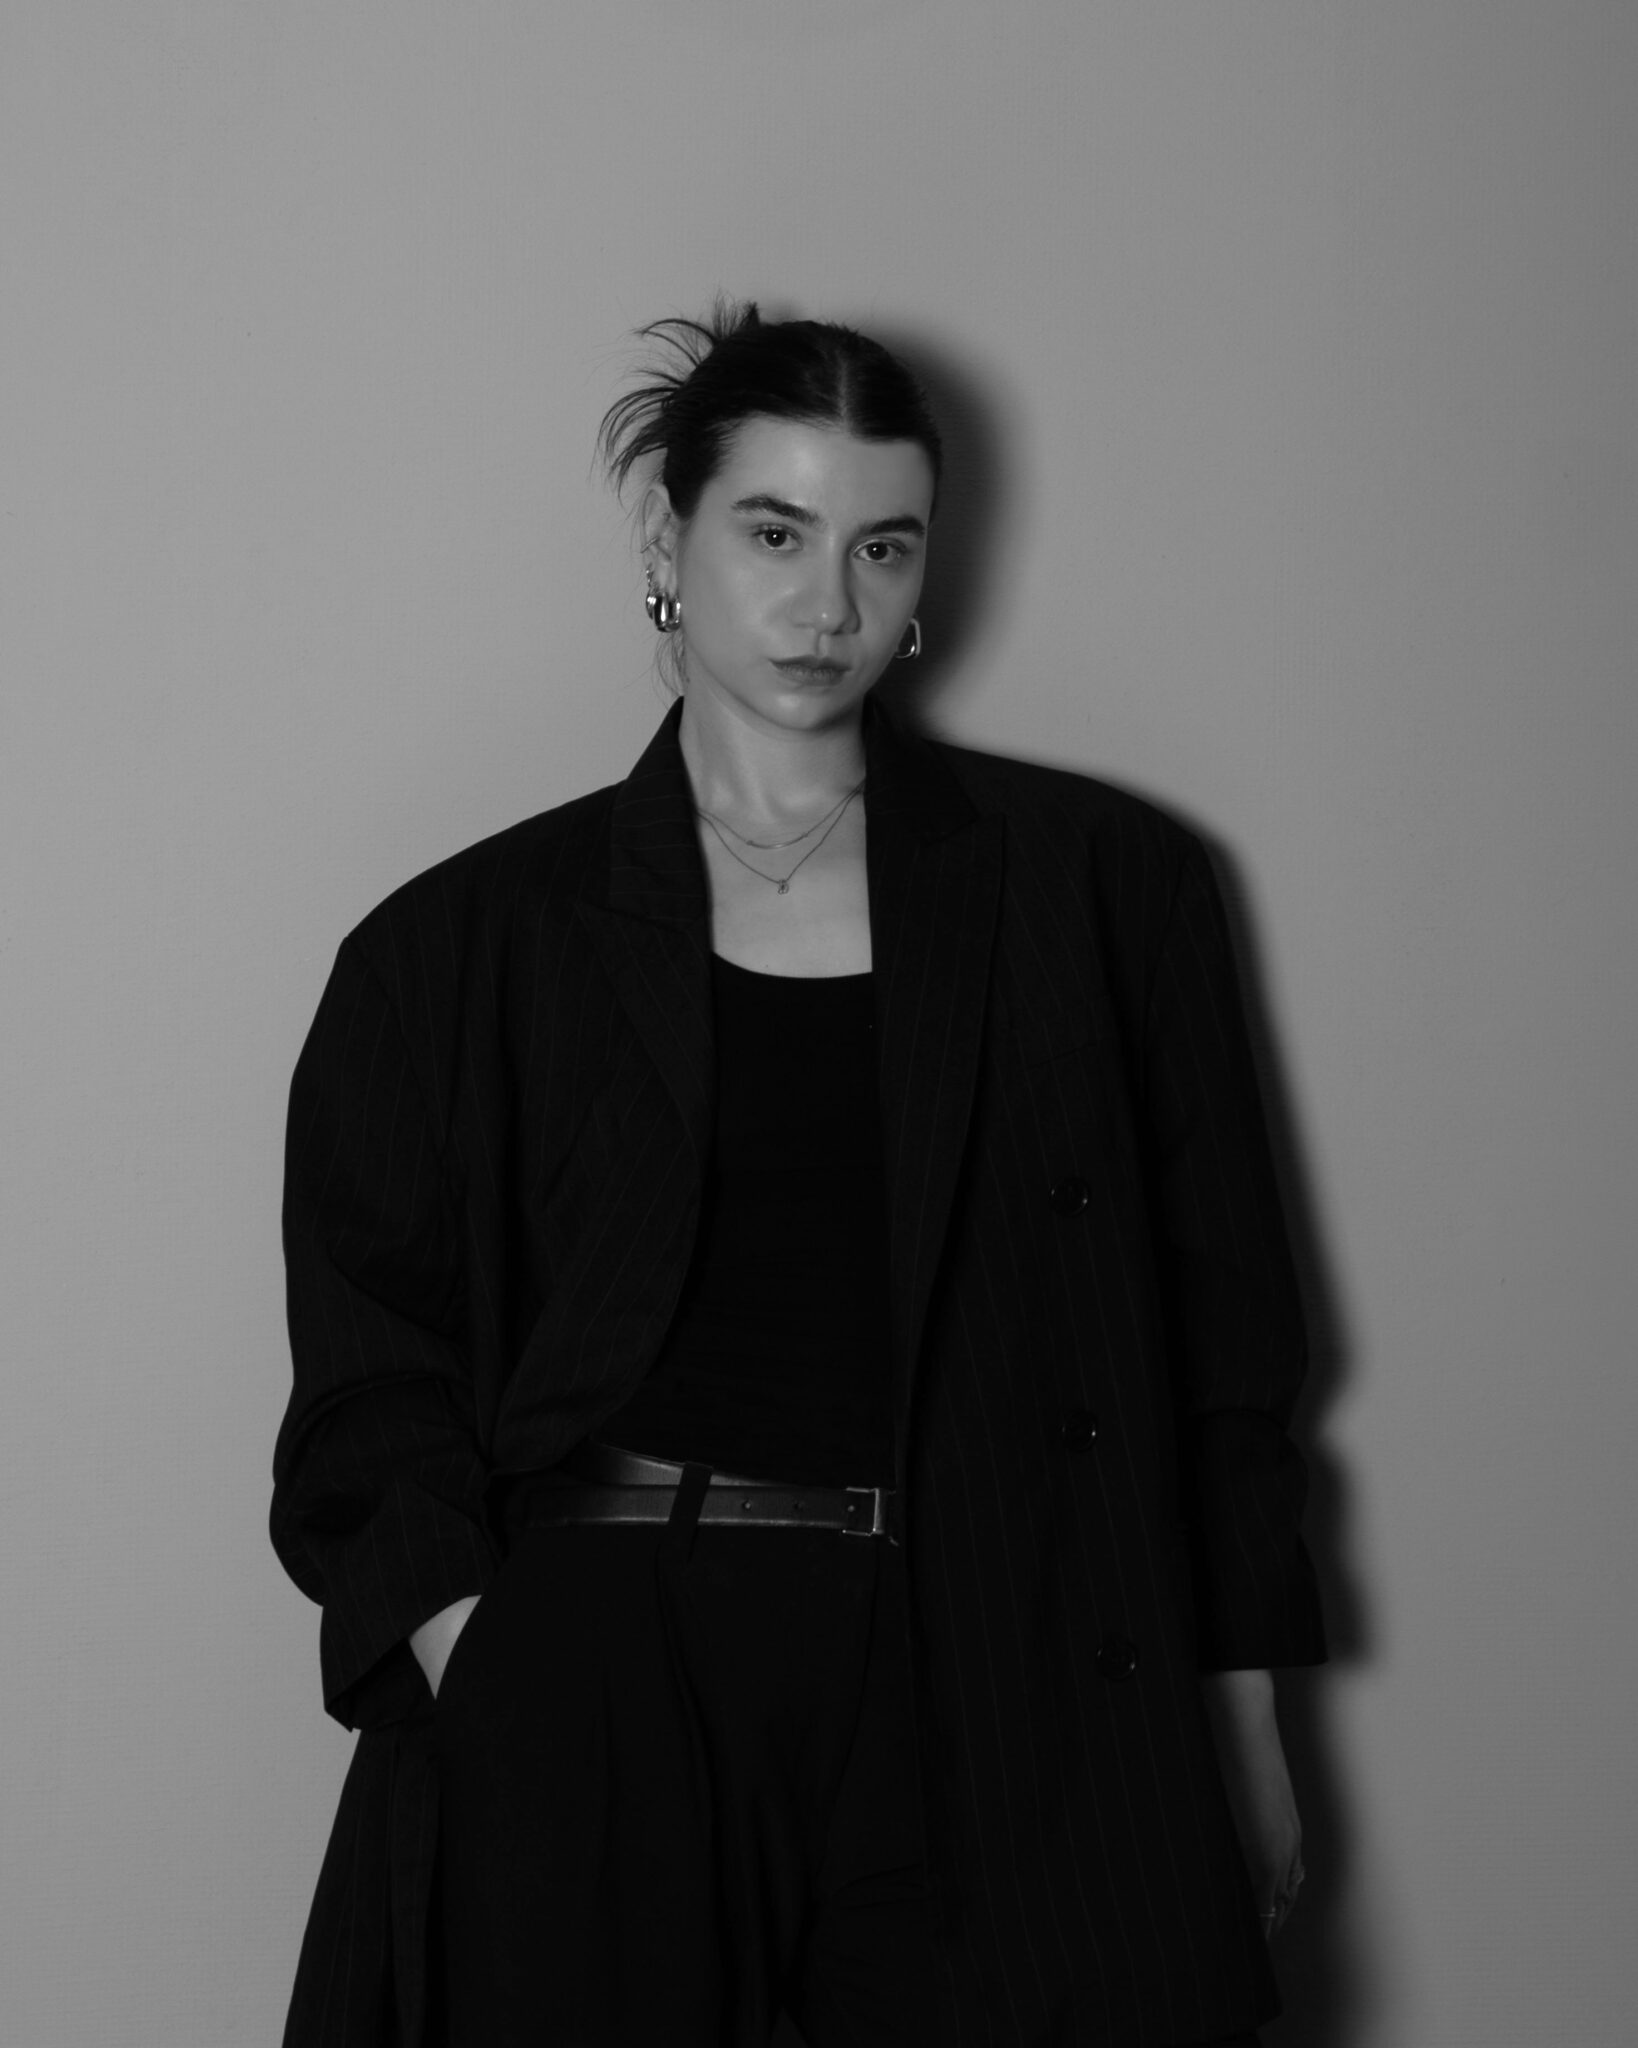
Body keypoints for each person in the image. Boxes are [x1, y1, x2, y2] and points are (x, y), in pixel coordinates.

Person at [272, 301, 1327, 2048]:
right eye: (774, 533)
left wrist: (1237, 1711)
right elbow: (367, 1388)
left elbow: (1223, 1352)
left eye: (880, 547)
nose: (827, 605)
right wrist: (491, 1666)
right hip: (613, 1670)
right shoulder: (459, 948)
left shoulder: (1104, 893)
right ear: (664, 539)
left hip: (1006, 1657)